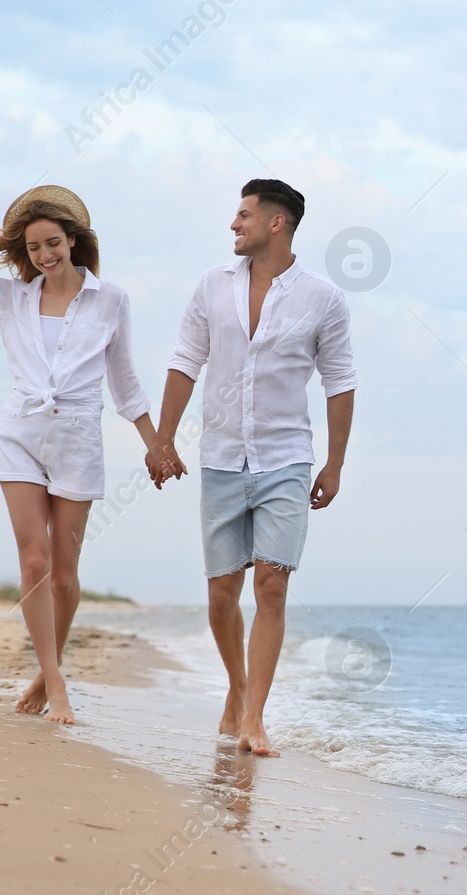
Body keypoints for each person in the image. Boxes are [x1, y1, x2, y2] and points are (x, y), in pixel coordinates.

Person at [0, 186, 162, 726]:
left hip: (78, 436)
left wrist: (155, 443)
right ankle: (56, 682)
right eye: (32, 247)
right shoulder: (9, 296)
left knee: (63, 574)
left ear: (74, 240)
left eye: (52, 242)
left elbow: (124, 381)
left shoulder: (111, 300)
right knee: (32, 561)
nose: (43, 256)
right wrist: (3, 240)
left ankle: (45, 672)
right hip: (21, 433)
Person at [148, 178, 356, 757]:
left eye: (243, 215)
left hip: (287, 457)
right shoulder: (212, 286)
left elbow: (340, 382)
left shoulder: (323, 298)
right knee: (221, 594)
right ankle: (236, 687)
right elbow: (185, 360)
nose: (233, 225)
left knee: (272, 585)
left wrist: (335, 464)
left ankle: (254, 718)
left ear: (276, 223)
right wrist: (164, 439)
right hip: (219, 457)